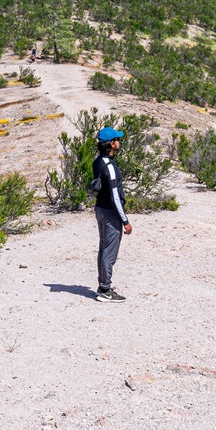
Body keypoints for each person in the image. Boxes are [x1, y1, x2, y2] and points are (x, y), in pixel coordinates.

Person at [92, 126, 132, 302]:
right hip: (110, 213)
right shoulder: (111, 167)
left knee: (103, 248)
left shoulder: (98, 162)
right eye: (117, 139)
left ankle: (104, 284)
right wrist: (125, 221)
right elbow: (115, 196)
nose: (119, 142)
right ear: (111, 144)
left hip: (100, 210)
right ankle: (105, 290)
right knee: (109, 251)